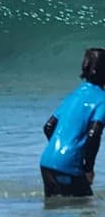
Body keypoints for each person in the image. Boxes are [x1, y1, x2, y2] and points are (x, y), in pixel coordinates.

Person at [39, 47, 105, 198]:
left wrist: (60, 149)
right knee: (85, 211)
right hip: (68, 166)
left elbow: (48, 127)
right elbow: (94, 134)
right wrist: (88, 169)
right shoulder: (102, 99)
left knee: (54, 213)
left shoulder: (74, 95)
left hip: (46, 162)